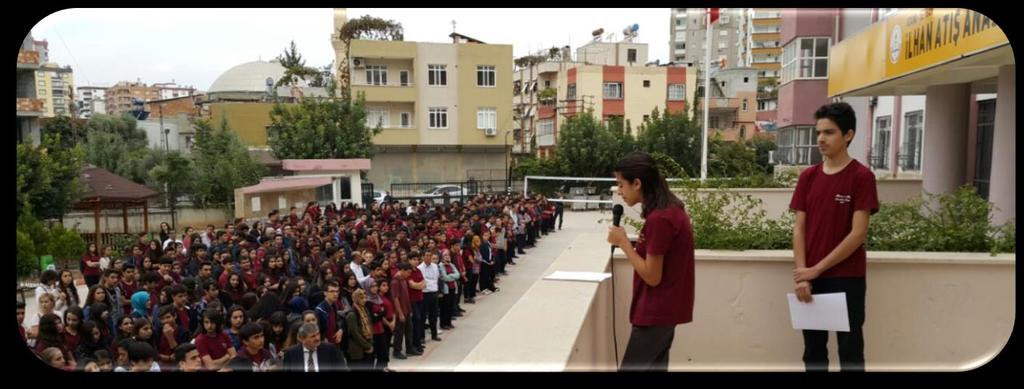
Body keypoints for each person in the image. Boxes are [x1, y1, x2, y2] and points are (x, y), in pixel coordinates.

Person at [790, 102, 878, 373]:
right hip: (812, 280)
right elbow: (799, 229)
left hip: (847, 278)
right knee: (813, 354)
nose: (820, 139)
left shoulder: (862, 177)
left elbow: (858, 233)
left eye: (829, 132)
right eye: (819, 132)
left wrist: (815, 270)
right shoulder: (808, 176)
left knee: (851, 354)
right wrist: (805, 274)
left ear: (848, 135)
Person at [607, 151, 696, 372]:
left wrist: (624, 243)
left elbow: (652, 276)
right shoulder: (670, 211)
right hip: (666, 311)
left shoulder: (661, 219)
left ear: (637, 183)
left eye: (621, 185)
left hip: (656, 313)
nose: (619, 192)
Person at [281, 323, 348, 372]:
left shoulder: (330, 349)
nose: (317, 338)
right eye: (313, 336)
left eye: (318, 334)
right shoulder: (291, 353)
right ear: (302, 339)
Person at [389, 262, 416, 359]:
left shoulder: (403, 279)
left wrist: (409, 310)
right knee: (399, 332)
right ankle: (397, 351)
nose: (409, 275)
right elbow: (395, 298)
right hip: (400, 311)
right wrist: (400, 313)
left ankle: (409, 348)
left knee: (409, 330)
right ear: (402, 271)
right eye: (408, 272)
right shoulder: (395, 282)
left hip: (407, 309)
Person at [344, 289, 375, 371]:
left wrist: (370, 343)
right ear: (356, 299)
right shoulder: (351, 314)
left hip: (367, 345)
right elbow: (355, 334)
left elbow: (370, 326)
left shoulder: (365, 310)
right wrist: (367, 346)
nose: (364, 300)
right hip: (356, 348)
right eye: (361, 298)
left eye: (365, 297)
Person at [417, 252, 442, 342]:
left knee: (434, 315)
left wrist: (431, 284)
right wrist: (429, 282)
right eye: (426, 255)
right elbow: (424, 280)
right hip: (425, 293)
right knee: (423, 316)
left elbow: (436, 278)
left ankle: (434, 334)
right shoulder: (420, 268)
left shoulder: (435, 266)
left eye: (430, 255)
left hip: (434, 292)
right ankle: (422, 336)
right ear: (423, 257)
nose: (428, 257)